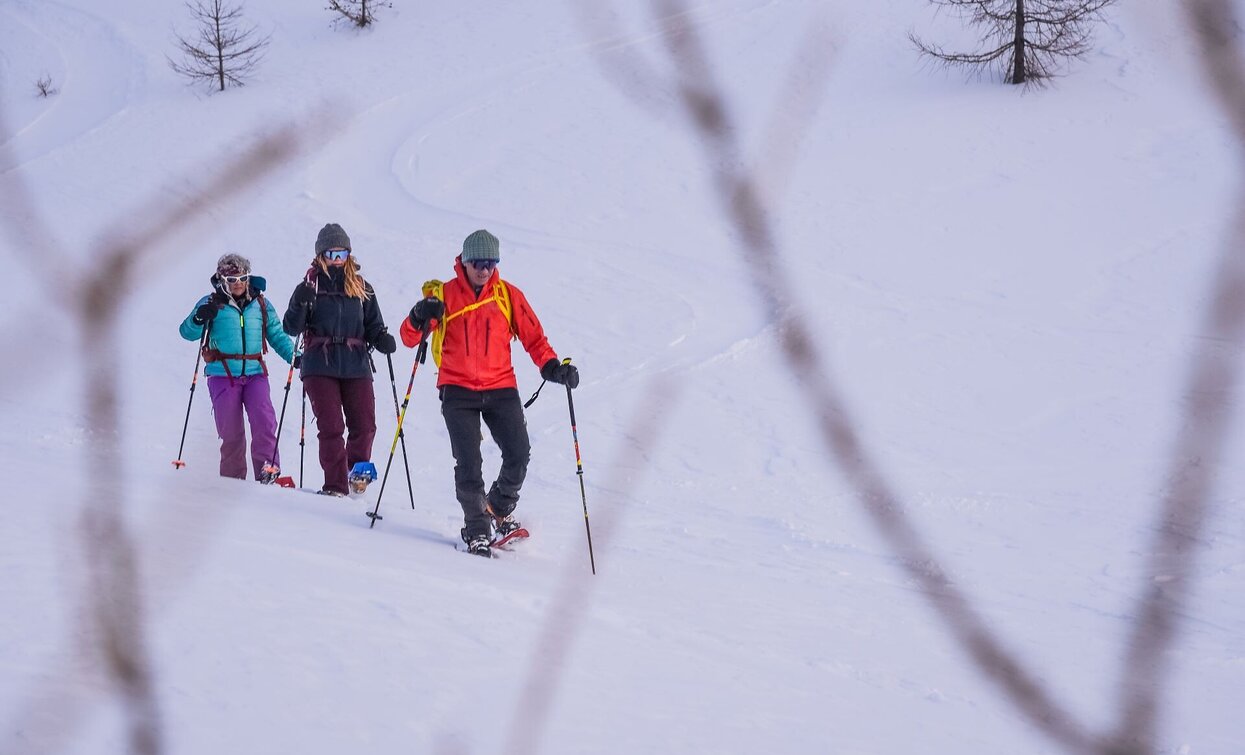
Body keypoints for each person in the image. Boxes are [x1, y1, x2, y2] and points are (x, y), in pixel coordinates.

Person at [400, 229, 579, 557]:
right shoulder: (443, 296)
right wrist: (417, 316)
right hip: (457, 389)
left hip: (500, 387)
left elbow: (534, 338)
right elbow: (410, 338)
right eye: (478, 262)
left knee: (519, 453)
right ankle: (477, 529)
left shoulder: (507, 295)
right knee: (469, 462)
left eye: (491, 262)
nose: (485, 269)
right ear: (465, 262)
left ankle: (496, 509)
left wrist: (553, 367)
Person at [283, 223, 396, 496]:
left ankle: (356, 476)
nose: (337, 260)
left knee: (365, 424)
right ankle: (334, 486)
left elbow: (373, 324)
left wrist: (381, 337)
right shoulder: (309, 287)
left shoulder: (361, 287)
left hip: (355, 362)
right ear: (321, 255)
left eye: (342, 254)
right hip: (319, 364)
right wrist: (299, 302)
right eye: (331, 254)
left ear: (349, 256)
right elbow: (291, 327)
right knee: (332, 426)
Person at [179, 253, 296, 481]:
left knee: (264, 421)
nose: (239, 283)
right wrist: (199, 319)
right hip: (222, 374)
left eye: (243, 278)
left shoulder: (261, 303)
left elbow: (276, 335)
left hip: (255, 373)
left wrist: (296, 356)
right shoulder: (210, 303)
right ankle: (232, 481)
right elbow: (187, 332)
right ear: (222, 280)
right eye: (232, 280)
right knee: (230, 431)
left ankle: (267, 470)